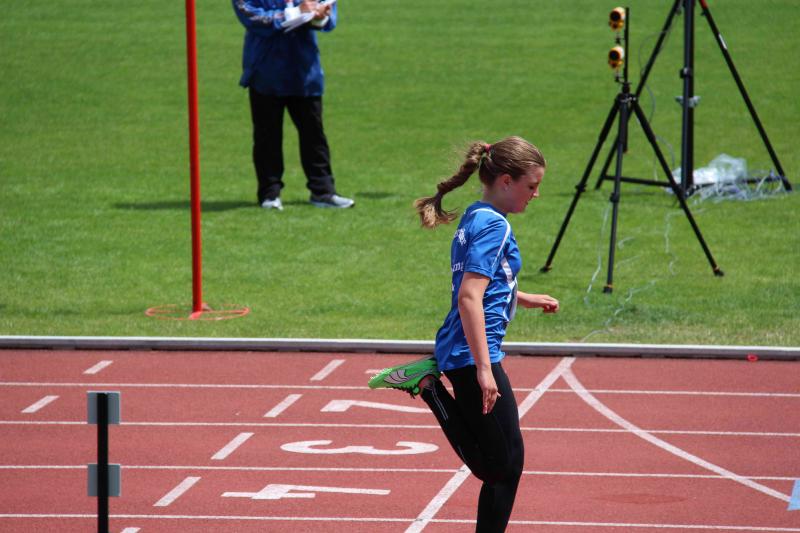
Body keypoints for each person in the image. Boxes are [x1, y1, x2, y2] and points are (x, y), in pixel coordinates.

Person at [369, 136, 559, 532]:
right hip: (472, 352)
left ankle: (430, 386)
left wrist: (523, 298)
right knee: (500, 469)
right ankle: (429, 387)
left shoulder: (477, 215)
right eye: (532, 185)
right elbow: (470, 297)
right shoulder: (495, 226)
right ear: (505, 181)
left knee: (505, 465)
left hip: (466, 348)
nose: (536, 194)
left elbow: (484, 283)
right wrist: (485, 369)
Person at [232, 0, 354, 210]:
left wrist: (320, 16)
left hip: (304, 72)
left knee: (314, 134)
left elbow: (327, 18)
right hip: (265, 72)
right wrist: (296, 12)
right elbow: (251, 17)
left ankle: (323, 192)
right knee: (267, 136)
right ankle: (269, 194)